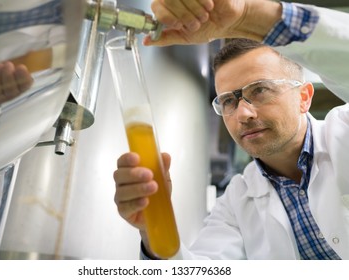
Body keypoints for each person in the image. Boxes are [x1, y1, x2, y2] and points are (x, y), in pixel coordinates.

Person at [113, 0, 349, 259]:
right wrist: (152, 232)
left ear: (304, 97)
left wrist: (248, 16)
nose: (243, 113)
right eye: (228, 100)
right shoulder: (236, 202)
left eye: (260, 90)